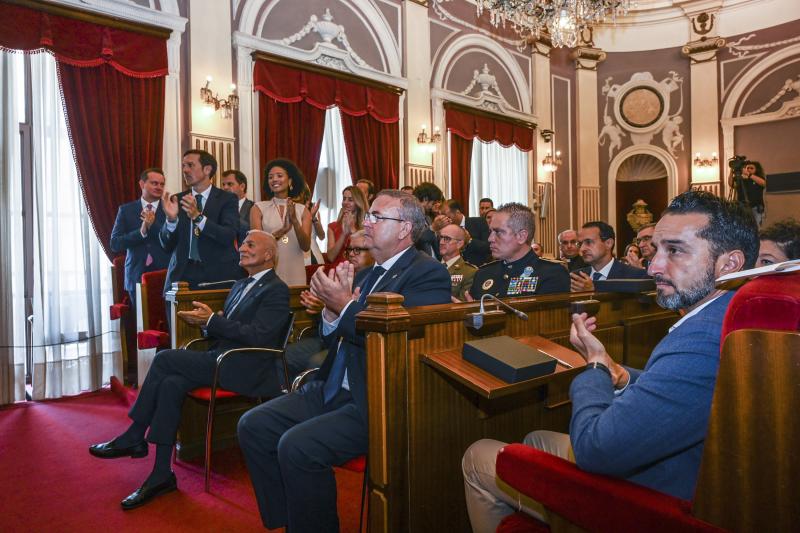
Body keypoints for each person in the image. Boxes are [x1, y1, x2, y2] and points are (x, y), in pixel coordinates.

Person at [462, 190, 759, 532]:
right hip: (688, 465)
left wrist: (595, 369)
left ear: (731, 264)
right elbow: (678, 393)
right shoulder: (728, 315)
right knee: (537, 438)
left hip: (661, 496)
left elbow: (594, 449)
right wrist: (620, 374)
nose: (653, 266)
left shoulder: (701, 337)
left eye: (674, 250)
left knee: (478, 453)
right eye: (657, 249)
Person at [236, 190, 451, 532]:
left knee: (296, 447)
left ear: (404, 229)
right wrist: (331, 312)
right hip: (334, 384)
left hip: (374, 398)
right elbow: (332, 338)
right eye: (370, 215)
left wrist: (346, 307)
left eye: (378, 217)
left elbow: (399, 336)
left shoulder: (428, 274)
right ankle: (288, 520)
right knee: (253, 425)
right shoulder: (367, 275)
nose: (367, 221)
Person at [89, 231, 290, 510]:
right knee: (171, 383)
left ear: (268, 255)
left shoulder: (276, 289)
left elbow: (259, 337)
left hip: (245, 368)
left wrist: (213, 321)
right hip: (221, 357)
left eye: (250, 244)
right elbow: (229, 329)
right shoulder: (239, 285)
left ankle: (135, 435)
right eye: (243, 243)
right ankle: (161, 474)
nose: (242, 247)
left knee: (164, 360)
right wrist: (207, 321)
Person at [286, 229, 376, 379]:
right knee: (286, 355)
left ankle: (315, 399)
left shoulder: (376, 281)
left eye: (358, 249)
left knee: (316, 362)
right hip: (328, 338)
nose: (351, 254)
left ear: (374, 252)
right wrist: (320, 310)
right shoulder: (341, 277)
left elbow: (366, 323)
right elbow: (322, 327)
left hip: (355, 342)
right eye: (349, 250)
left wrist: (326, 307)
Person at [159, 150, 243, 294]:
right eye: (183, 165)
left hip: (217, 276)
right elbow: (166, 246)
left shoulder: (227, 199)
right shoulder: (176, 200)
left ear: (207, 169)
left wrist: (198, 217)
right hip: (181, 276)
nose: (185, 170)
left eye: (190, 165)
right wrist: (171, 220)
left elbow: (228, 236)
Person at [469, 203, 570, 299]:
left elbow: (548, 317)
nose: (490, 239)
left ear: (521, 236)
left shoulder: (551, 273)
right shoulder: (483, 273)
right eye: (490, 232)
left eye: (498, 232)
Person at [110, 168, 171, 311]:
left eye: (162, 184)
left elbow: (172, 239)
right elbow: (115, 243)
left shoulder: (170, 209)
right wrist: (142, 231)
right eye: (154, 183)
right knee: (141, 323)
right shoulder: (126, 210)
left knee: (167, 322)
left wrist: (153, 225)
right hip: (136, 276)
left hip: (165, 275)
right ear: (142, 184)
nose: (159, 187)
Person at [251, 159, 312, 286]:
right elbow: (256, 244)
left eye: (279, 176)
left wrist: (295, 221)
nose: (274, 180)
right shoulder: (258, 208)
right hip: (267, 269)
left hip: (295, 269)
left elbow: (305, 246)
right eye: (270, 177)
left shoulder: (303, 210)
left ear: (290, 181)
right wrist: (282, 231)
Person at [570, 221, 648, 292]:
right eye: (580, 244)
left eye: (589, 242)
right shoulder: (576, 277)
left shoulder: (635, 276)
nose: (582, 248)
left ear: (608, 243)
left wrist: (595, 288)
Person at [441, 199, 491, 266]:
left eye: (448, 217)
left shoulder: (479, 222)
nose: (446, 220)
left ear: (457, 212)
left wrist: (470, 240)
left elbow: (488, 247)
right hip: (453, 268)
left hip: (476, 268)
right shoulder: (446, 229)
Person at [326, 185, 368, 265]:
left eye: (350, 200)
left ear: (358, 202)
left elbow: (367, 254)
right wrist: (344, 234)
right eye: (344, 199)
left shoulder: (367, 226)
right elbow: (331, 257)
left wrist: (353, 230)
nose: (345, 202)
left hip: (359, 271)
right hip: (338, 270)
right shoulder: (333, 226)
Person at [439, 224, 477, 301]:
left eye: (447, 238)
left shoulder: (470, 272)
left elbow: (462, 304)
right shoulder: (430, 267)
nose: (441, 242)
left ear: (459, 244)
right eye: (440, 237)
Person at [728, 160, 766, 226]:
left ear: (756, 170)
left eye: (751, 168)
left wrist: (749, 174)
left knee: (756, 227)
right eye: (747, 168)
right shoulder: (741, 179)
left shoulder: (759, 178)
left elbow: (763, 183)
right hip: (742, 208)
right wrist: (732, 171)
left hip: (755, 208)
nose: (749, 169)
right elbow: (731, 184)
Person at [293, 183, 324, 265]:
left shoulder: (313, 209)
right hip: (293, 256)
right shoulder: (289, 210)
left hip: (313, 255)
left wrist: (313, 218)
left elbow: (322, 236)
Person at [220, 169, 254, 244]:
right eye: (223, 184)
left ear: (242, 186)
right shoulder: (218, 208)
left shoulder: (254, 208)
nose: (225, 188)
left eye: (230, 184)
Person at [412, 181, 445, 258]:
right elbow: (415, 241)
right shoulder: (410, 217)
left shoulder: (428, 218)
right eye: (433, 203)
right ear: (425, 199)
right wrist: (432, 228)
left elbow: (433, 243)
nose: (433, 207)